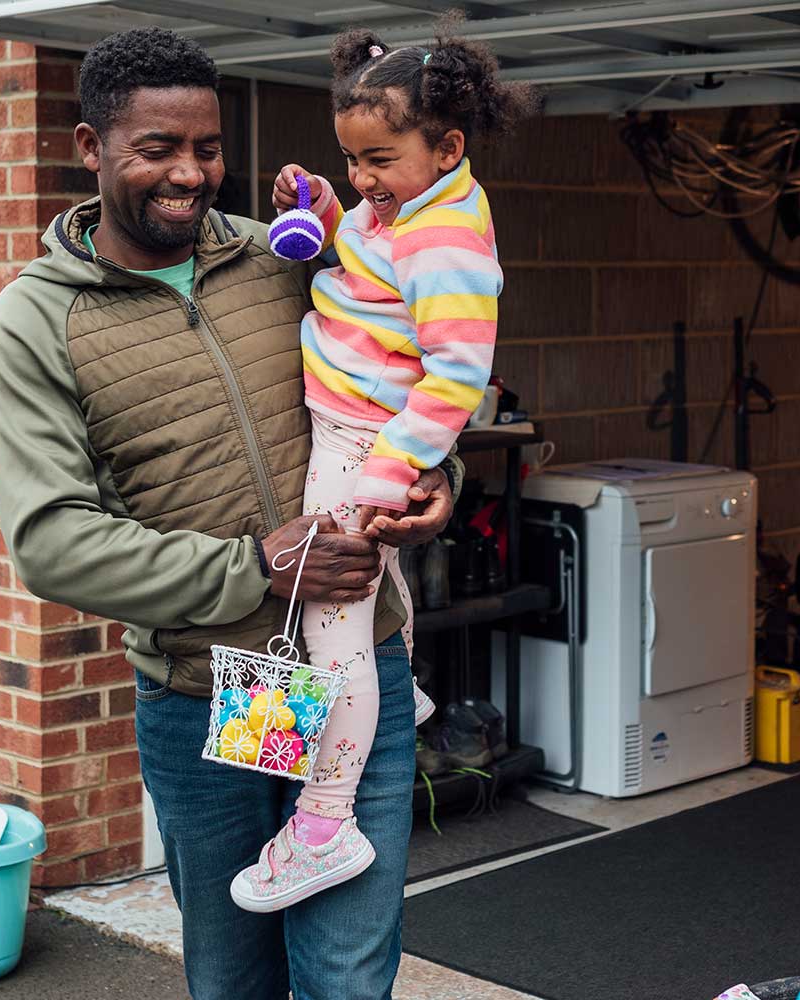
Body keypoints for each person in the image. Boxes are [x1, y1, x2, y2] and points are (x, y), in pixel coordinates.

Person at [0, 27, 458, 1000]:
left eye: (205, 147)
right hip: (213, 693)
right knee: (236, 976)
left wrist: (433, 472)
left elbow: (402, 358)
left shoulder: (276, 258)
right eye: (158, 148)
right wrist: (255, 568)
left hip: (354, 665)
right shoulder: (36, 320)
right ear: (90, 147)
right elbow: (51, 542)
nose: (190, 174)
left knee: (347, 973)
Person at [226, 24, 535, 914]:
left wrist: (384, 475)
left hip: (366, 443)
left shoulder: (446, 243)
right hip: (349, 429)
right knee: (356, 617)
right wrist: (327, 209)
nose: (365, 179)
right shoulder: (403, 209)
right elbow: (364, 259)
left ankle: (325, 825)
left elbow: (458, 379)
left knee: (326, 623)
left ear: (448, 148)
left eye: (378, 160)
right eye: (352, 160)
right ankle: (395, 697)